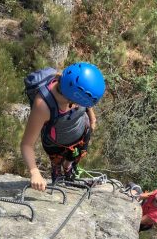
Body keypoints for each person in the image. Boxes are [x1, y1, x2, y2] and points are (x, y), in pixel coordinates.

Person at [21, 62, 106, 191]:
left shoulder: (74, 85)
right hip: (56, 144)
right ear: (73, 97)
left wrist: (92, 117)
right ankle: (57, 168)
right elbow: (26, 144)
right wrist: (34, 172)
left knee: (74, 157)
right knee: (57, 161)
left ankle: (68, 167)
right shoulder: (43, 106)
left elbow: (86, 99)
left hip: (80, 133)